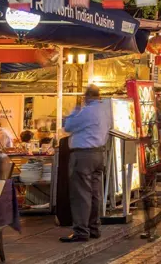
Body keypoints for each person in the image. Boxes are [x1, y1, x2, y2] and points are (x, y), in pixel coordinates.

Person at [60, 85, 112, 243]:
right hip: (99, 154)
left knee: (81, 193)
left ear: (87, 97)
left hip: (83, 156)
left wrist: (74, 111)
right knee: (95, 193)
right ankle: (94, 227)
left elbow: (67, 127)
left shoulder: (86, 111)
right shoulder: (105, 111)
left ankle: (81, 231)